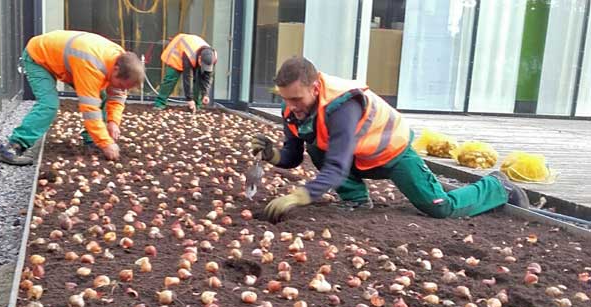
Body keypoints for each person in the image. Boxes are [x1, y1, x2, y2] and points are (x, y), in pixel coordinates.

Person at [251, 57, 529, 223]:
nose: (290, 105)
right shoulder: (293, 109)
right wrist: (272, 155)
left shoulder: (340, 106)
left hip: (392, 154)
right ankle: (357, 200)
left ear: (314, 87)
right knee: (317, 145)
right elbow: (294, 155)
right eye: (285, 98)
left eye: (296, 99)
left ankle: (497, 187)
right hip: (359, 157)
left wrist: (300, 196)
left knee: (440, 208)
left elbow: (336, 167)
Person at [0, 30, 144, 166]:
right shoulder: (92, 66)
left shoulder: (121, 61)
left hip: (65, 61)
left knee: (102, 96)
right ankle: (13, 146)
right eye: (121, 84)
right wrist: (106, 143)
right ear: (116, 70)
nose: (122, 90)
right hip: (38, 56)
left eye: (126, 88)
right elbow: (90, 110)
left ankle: (92, 141)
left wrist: (113, 122)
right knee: (49, 104)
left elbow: (117, 95)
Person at [154, 33, 216, 112]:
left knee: (200, 78)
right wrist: (189, 99)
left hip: (192, 49)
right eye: (202, 65)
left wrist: (205, 94)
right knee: (171, 77)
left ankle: (197, 105)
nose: (204, 68)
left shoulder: (212, 56)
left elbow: (207, 77)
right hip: (178, 50)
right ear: (200, 58)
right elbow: (187, 78)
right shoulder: (190, 55)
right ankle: (160, 103)